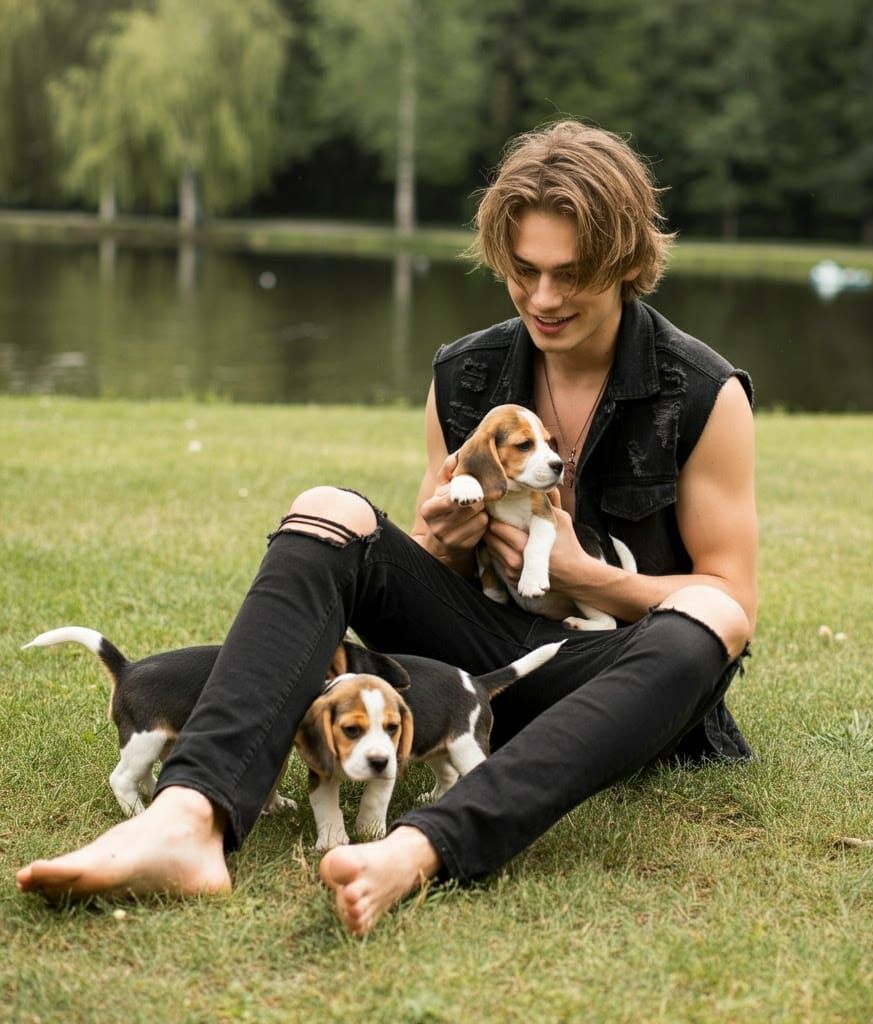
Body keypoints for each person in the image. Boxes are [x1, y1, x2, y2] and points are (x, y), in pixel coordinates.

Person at [17, 120, 758, 936]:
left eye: (570, 276)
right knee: (330, 508)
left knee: (711, 619)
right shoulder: (465, 373)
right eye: (523, 272)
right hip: (474, 662)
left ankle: (419, 847)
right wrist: (443, 540)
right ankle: (186, 818)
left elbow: (733, 598)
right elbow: (431, 572)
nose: (543, 299)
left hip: (616, 674)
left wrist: (587, 576)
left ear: (626, 263)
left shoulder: (701, 392)